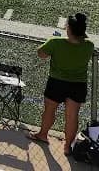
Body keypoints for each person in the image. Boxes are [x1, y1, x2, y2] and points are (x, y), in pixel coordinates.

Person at [29, 13, 94, 156]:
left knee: (49, 110)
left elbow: (41, 54)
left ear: (69, 29)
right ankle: (67, 147)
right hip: (78, 84)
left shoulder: (55, 42)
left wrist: (51, 40)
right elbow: (83, 41)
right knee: (72, 116)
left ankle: (43, 134)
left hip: (56, 82)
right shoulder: (89, 46)